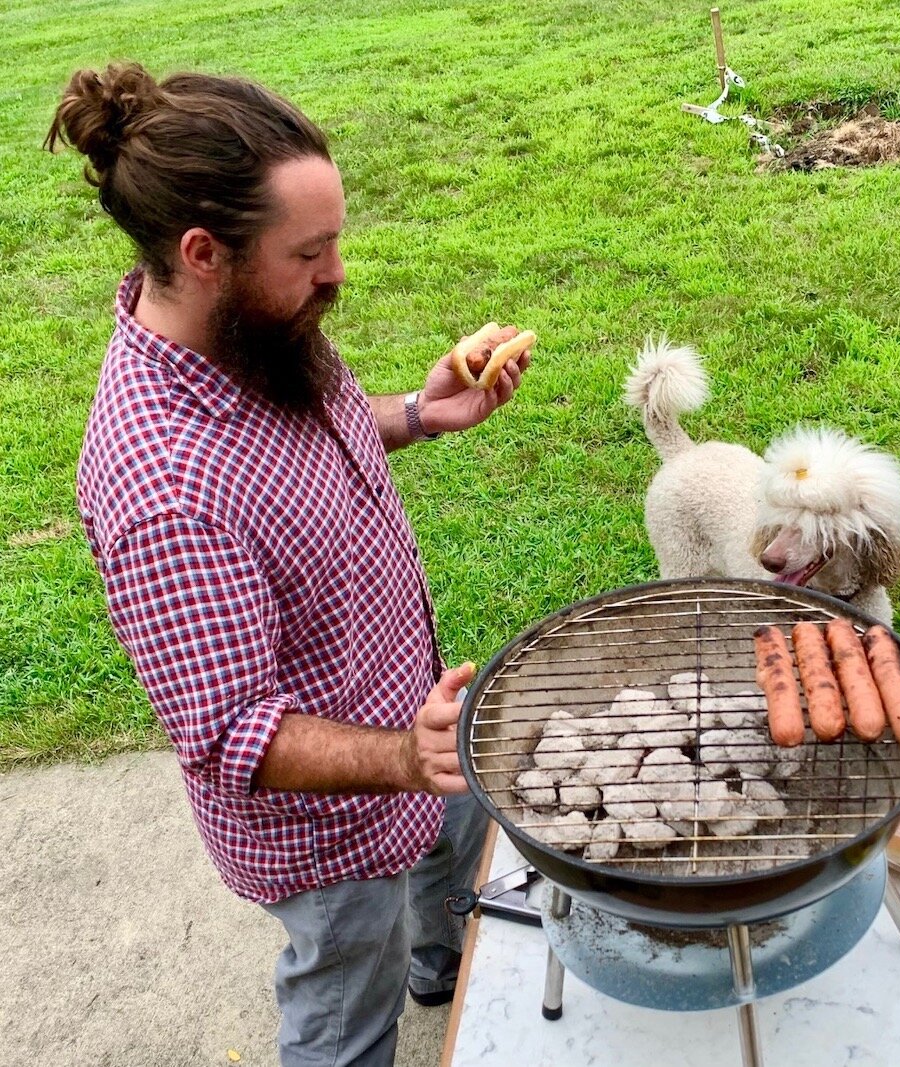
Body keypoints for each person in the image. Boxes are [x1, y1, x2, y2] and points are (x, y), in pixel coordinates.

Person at [46, 62, 530, 1066]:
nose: (337, 273)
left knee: (451, 864)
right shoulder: (162, 489)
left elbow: (295, 451)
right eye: (310, 251)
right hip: (333, 826)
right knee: (345, 1014)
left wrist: (416, 410)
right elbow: (228, 732)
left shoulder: (252, 327)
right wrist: (406, 757)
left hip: (411, 707)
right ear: (202, 253)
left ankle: (437, 966)